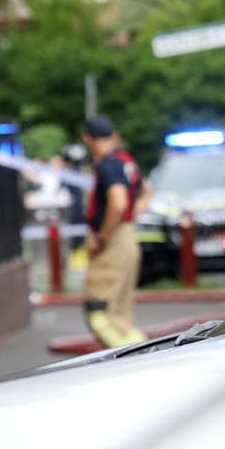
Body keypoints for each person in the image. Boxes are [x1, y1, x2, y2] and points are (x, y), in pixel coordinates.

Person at [81, 115, 152, 348]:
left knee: (101, 316)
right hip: (127, 237)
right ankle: (144, 359)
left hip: (112, 241)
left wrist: (102, 237)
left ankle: (143, 361)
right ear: (113, 135)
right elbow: (147, 193)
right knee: (120, 317)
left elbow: (118, 202)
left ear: (87, 138)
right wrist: (128, 220)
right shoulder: (125, 161)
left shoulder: (109, 164)